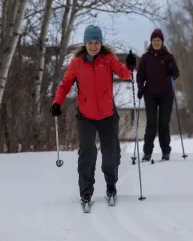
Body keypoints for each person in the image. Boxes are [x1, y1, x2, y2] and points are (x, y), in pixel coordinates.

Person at [50, 24, 136, 204]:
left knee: (110, 155)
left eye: (96, 42)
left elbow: (124, 74)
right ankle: (86, 192)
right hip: (86, 116)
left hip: (107, 114)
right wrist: (57, 102)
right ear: (85, 43)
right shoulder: (77, 63)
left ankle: (111, 186)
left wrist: (129, 65)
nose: (93, 46)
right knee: (87, 154)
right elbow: (65, 85)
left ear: (101, 42)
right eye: (90, 42)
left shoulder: (108, 59)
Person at [136, 28, 179, 162]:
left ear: (162, 41)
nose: (156, 42)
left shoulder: (168, 56)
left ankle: (166, 151)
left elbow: (176, 73)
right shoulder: (145, 57)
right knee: (151, 124)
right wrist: (140, 88)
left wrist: (172, 71)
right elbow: (140, 75)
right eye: (154, 40)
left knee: (163, 124)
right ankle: (147, 153)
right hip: (150, 94)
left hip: (166, 94)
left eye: (158, 40)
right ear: (151, 42)